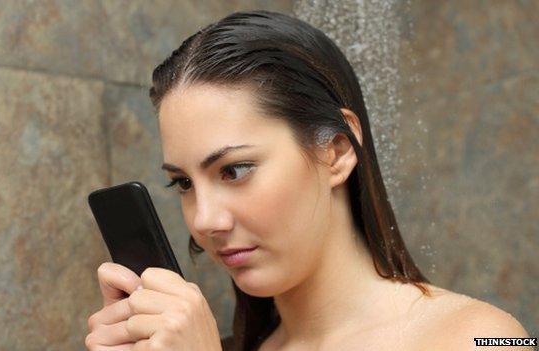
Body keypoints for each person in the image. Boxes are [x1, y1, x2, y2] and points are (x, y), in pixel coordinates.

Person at [85, 10, 532, 351]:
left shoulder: (486, 337)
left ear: (336, 151)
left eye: (234, 170)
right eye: (183, 183)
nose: (205, 220)